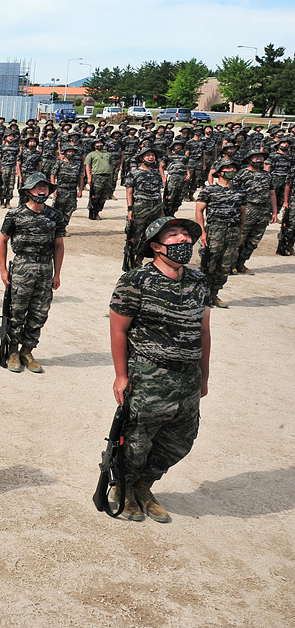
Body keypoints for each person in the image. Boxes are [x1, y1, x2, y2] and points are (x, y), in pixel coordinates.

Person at [108, 217, 210, 523]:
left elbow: (203, 330)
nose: (182, 240)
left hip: (187, 377)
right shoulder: (135, 280)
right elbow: (118, 330)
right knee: (138, 440)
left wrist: (204, 375)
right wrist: (121, 375)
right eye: (174, 235)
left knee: (180, 440)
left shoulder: (199, 281)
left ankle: (144, 486)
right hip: (149, 375)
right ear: (155, 245)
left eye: (185, 236)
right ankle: (123, 489)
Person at [0, 173, 66, 373]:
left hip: (45, 269)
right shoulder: (15, 214)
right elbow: (2, 240)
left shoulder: (55, 216)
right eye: (37, 187)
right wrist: (3, 270)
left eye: (45, 186)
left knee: (39, 313)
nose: (42, 190)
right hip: (22, 268)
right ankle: (12, 351)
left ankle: (27, 351)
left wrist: (57, 273)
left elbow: (59, 245)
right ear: (28, 191)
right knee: (16, 312)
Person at [194, 159, 245, 308]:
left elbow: (243, 213)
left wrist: (240, 233)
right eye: (227, 168)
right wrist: (202, 232)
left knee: (225, 265)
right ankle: (201, 295)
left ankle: (214, 294)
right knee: (209, 263)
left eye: (233, 168)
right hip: (215, 229)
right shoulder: (208, 190)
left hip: (233, 230)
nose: (231, 171)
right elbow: (199, 211)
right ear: (218, 172)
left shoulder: (240, 191)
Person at [233, 148, 277, 274]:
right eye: (256, 157)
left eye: (261, 157)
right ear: (249, 159)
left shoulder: (267, 175)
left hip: (263, 211)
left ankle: (241, 263)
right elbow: (234, 193)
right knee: (240, 238)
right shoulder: (242, 174)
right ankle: (231, 264)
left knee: (253, 241)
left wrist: (274, 212)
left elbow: (272, 193)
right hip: (247, 209)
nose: (259, 159)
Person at [84, 139, 114, 220]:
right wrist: (89, 177)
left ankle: (97, 212)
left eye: (100, 143)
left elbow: (110, 165)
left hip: (107, 177)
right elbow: (87, 166)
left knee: (103, 197)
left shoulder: (108, 154)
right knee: (94, 196)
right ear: (94, 145)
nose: (99, 144)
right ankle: (92, 212)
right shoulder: (91, 154)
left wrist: (111, 175)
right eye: (97, 143)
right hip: (97, 177)